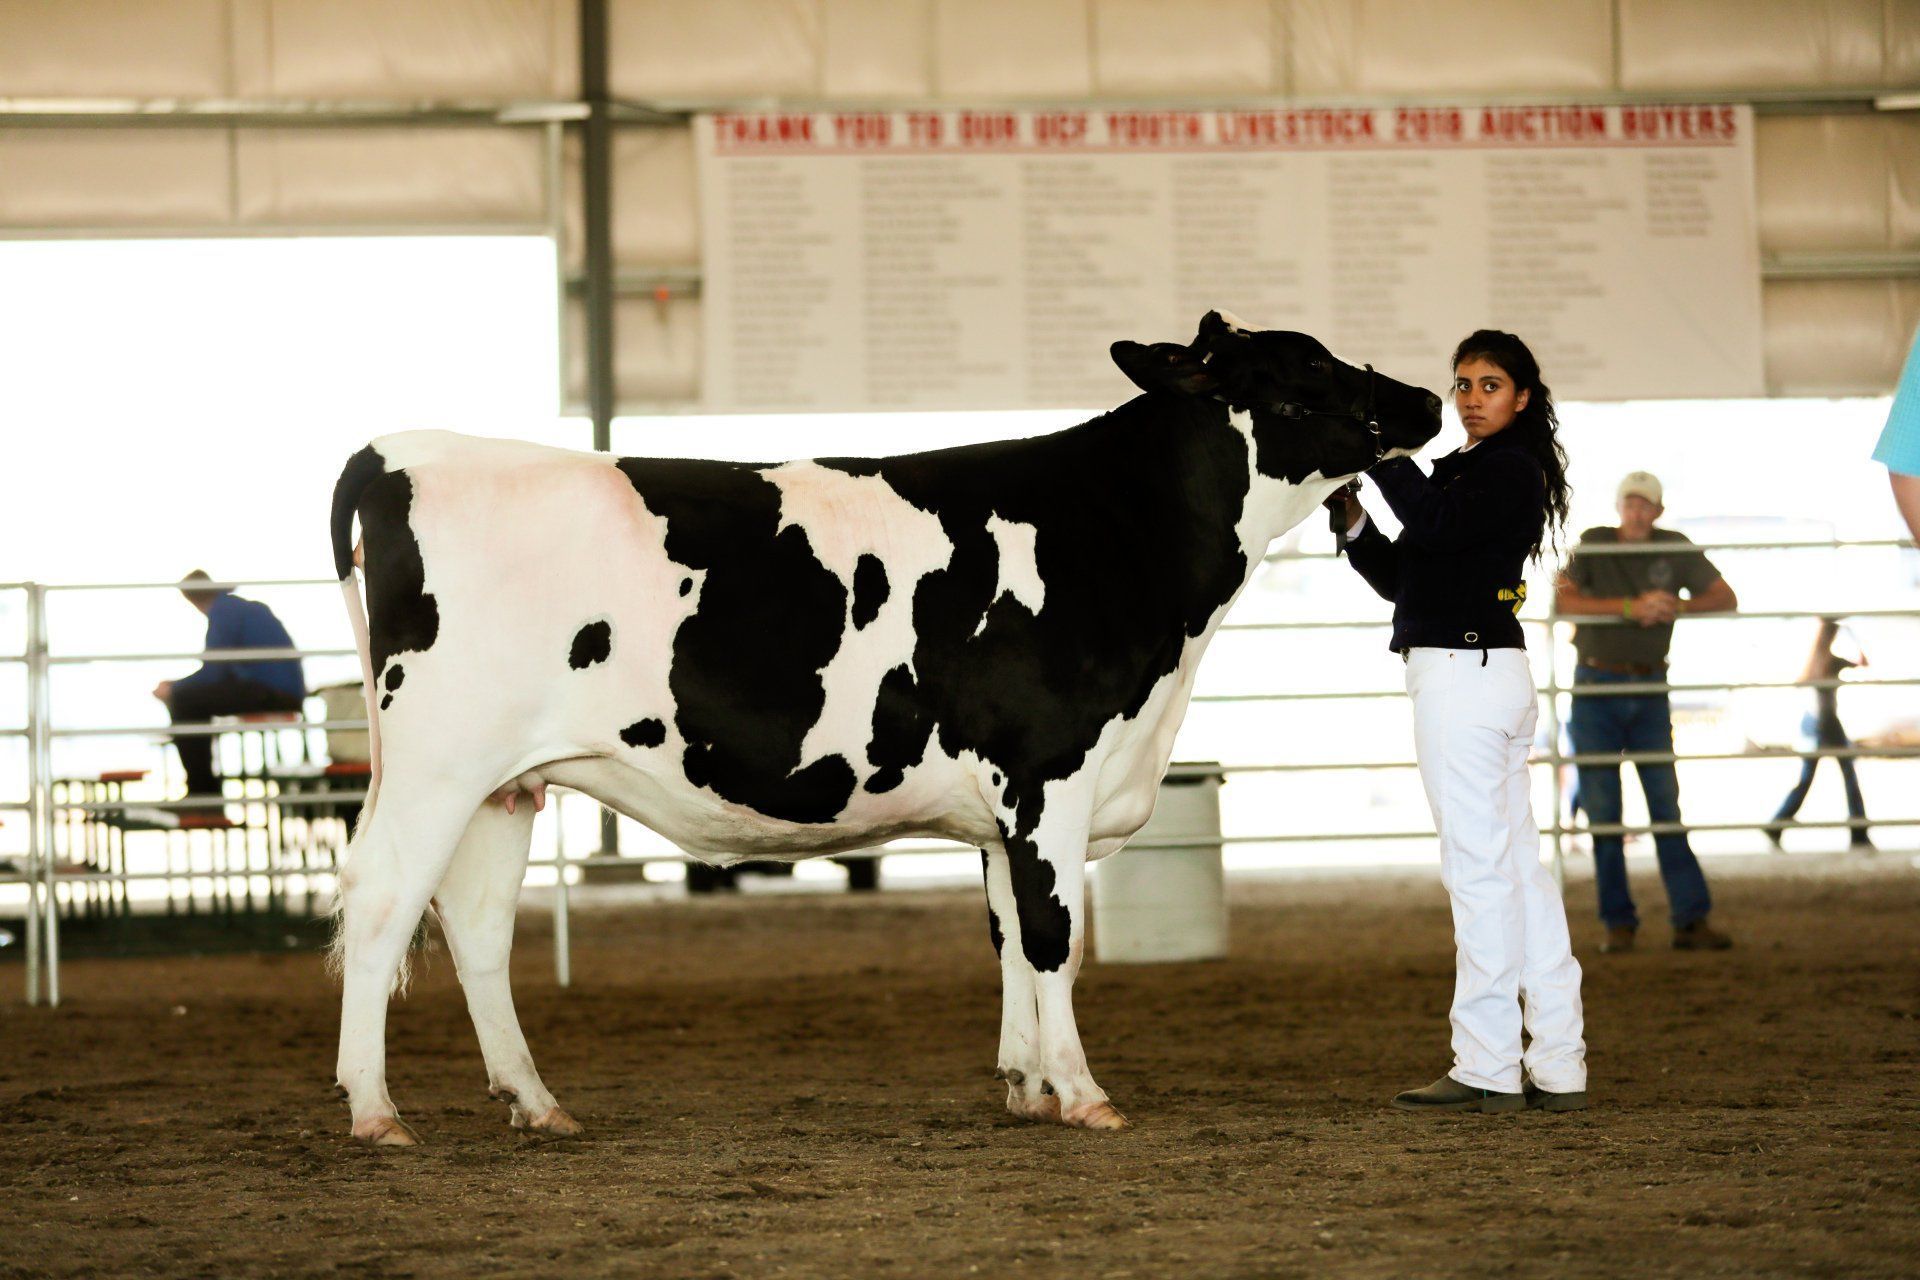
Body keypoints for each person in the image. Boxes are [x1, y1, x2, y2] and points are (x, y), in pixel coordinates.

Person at [1331, 329, 1586, 1115]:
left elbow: (1435, 529)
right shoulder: (1481, 472)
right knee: (1517, 873)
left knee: (1479, 873)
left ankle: (1485, 1065)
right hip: (1483, 677)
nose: (1472, 399)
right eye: (1464, 385)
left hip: (1461, 682)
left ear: (1523, 398)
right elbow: (1409, 574)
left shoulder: (1506, 468)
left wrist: (1381, 459)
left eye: (1489, 385)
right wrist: (1355, 525)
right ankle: (1559, 1061)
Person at [1554, 473, 1737, 954]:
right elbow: (1563, 598)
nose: (1636, 513)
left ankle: (1680, 920)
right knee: (1605, 812)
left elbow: (1724, 596)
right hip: (1599, 684)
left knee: (1662, 805)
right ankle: (1626, 922)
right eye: (1630, 505)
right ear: (1620, 508)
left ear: (1656, 511)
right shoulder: (1593, 543)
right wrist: (1633, 607)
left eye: (1645, 506)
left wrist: (1675, 607)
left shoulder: (1673, 546)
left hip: (1643, 682)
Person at [153, 571, 306, 822]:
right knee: (187, 698)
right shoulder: (237, 607)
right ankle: (203, 797)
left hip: (272, 691)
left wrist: (173, 688)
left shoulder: (224, 611)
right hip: (278, 690)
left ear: (190, 598)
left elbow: (214, 672)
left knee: (184, 700)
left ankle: (202, 798)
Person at [1766, 618, 1871, 850]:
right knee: (1847, 777)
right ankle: (1859, 831)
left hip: (1815, 722)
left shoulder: (1814, 662)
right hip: (1826, 722)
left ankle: (1777, 823)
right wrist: (1851, 634)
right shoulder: (1831, 663)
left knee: (1809, 779)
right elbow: (1864, 662)